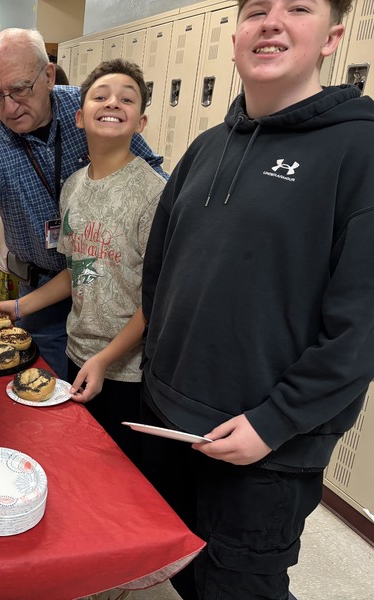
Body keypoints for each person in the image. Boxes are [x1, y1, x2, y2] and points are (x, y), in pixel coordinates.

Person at [140, 0, 374, 597]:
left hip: (263, 447)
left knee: (240, 587)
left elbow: (360, 329)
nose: (270, 21)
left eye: (297, 7)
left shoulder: (360, 151)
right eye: (255, 10)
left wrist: (274, 423)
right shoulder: (207, 146)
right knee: (183, 575)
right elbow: (161, 270)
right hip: (173, 423)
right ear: (238, 33)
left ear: (333, 37)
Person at [0, 28, 166, 378]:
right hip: (43, 290)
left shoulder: (88, 109)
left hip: (114, 293)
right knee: (48, 389)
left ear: (49, 75)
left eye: (20, 89)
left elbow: (149, 170)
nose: (8, 107)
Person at [0, 59, 164, 463]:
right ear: (79, 117)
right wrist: (17, 306)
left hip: (128, 370)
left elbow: (157, 298)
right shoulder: (73, 187)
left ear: (141, 123)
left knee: (119, 475)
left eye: (127, 98)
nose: (113, 102)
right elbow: (78, 269)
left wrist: (104, 360)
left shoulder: (154, 195)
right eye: (100, 96)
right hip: (77, 353)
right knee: (79, 459)